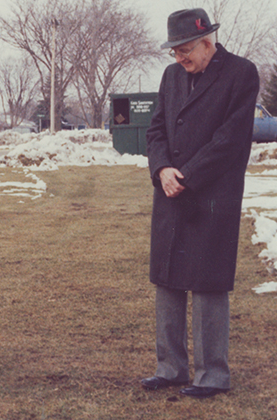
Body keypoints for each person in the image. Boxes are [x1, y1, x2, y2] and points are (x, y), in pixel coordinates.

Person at [141, 8, 259, 399]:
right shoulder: (171, 77)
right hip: (170, 191)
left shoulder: (241, 73)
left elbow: (231, 139)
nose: (180, 58)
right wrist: (161, 170)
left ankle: (213, 375)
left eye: (186, 50)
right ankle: (170, 367)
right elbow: (155, 128)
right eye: (174, 52)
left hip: (212, 195)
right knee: (168, 279)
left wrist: (185, 176)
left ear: (208, 42)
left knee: (208, 284)